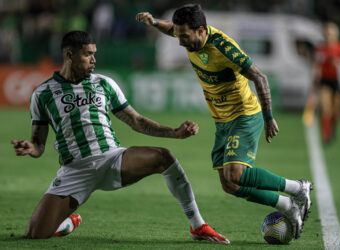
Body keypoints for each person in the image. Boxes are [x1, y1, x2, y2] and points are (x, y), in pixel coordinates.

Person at [11, 30, 230, 244]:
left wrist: (174, 133)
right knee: (35, 234)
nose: (94, 60)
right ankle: (68, 223)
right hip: (75, 171)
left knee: (164, 157)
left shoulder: (104, 84)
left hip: (112, 159)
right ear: (69, 55)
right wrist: (31, 147)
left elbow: (136, 121)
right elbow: (39, 144)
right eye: (88, 54)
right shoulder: (43, 93)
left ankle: (198, 225)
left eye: (94, 53)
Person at [136, 4, 312, 240]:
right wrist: (155, 22)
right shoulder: (187, 35)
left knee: (235, 174)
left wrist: (269, 117)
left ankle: (298, 188)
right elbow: (173, 30)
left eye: (185, 36)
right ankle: (288, 205)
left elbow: (260, 77)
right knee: (230, 185)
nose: (180, 41)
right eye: (179, 35)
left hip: (244, 114)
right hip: (222, 120)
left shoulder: (223, 47)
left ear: (200, 30)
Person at [303, 22, 340, 143]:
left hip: (338, 81)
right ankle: (326, 134)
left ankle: (332, 129)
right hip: (324, 80)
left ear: (336, 34)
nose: (329, 35)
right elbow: (316, 64)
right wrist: (315, 78)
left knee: (337, 111)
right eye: (327, 33)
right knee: (326, 108)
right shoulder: (320, 48)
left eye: (331, 33)